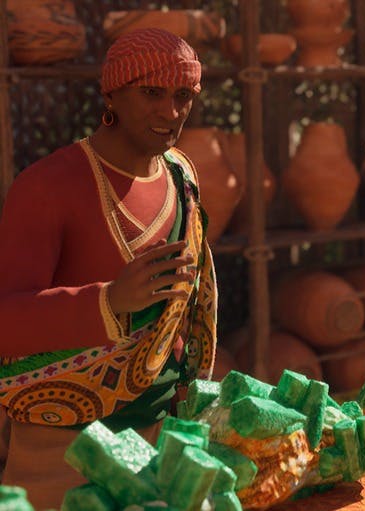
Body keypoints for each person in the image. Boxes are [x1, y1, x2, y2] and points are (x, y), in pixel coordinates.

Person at [0, 28, 217, 508]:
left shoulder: (182, 176)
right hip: (62, 459)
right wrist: (108, 301)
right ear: (112, 93)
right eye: (151, 93)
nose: (171, 111)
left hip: (164, 446)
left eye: (183, 96)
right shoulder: (46, 186)